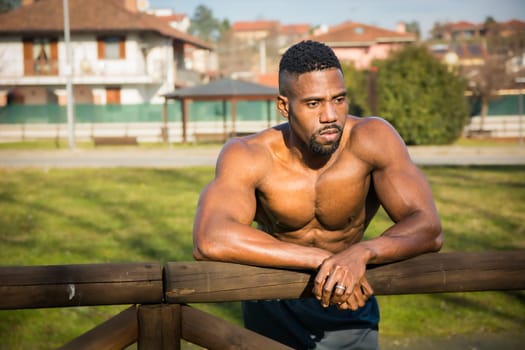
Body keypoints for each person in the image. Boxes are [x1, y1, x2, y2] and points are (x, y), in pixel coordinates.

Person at [192, 40, 443, 349]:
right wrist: (323, 259)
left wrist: (361, 253)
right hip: (272, 306)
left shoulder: (373, 139)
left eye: (338, 100)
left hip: (348, 304)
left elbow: (428, 227)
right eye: (313, 103)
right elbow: (211, 238)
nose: (330, 116)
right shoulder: (248, 154)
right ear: (284, 106)